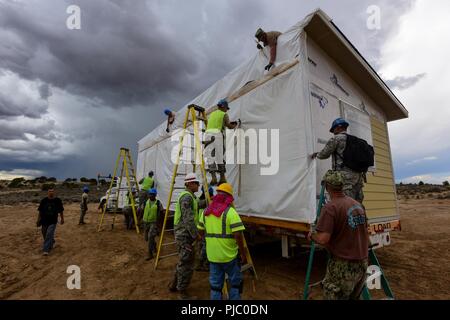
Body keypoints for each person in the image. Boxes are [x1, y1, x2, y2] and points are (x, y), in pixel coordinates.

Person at [307, 170, 369, 300]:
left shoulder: (331, 207)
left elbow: (323, 239)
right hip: (362, 264)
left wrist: (312, 235)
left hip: (343, 266)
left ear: (328, 187)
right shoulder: (357, 205)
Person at [197, 183, 247, 300]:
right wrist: (243, 253)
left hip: (213, 256)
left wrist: (209, 240)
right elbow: (238, 235)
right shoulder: (231, 212)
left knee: (215, 287)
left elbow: (200, 231)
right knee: (235, 284)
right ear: (228, 197)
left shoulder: (206, 212)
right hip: (229, 256)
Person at [168, 173, 206, 300]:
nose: (198, 185)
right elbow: (188, 220)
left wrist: (209, 200)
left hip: (184, 234)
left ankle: (174, 285)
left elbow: (197, 206)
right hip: (184, 235)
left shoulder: (191, 197)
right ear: (189, 184)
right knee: (187, 263)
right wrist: (196, 236)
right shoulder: (187, 198)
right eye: (196, 183)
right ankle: (182, 292)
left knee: (183, 260)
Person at [312, 118, 365, 203]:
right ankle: (359, 216)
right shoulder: (355, 140)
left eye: (333, 129)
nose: (333, 132)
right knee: (357, 202)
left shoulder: (336, 139)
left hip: (345, 177)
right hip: (358, 176)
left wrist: (316, 154)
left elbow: (324, 154)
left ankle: (347, 216)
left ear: (339, 127)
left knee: (346, 203)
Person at [204, 99, 239, 186]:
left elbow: (215, 123)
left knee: (210, 157)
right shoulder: (224, 114)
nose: (227, 110)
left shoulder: (212, 114)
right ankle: (222, 177)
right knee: (219, 156)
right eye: (226, 108)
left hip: (208, 136)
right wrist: (235, 125)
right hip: (217, 135)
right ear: (223, 107)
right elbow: (229, 126)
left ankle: (213, 177)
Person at [36, 187, 64, 256]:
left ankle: (46, 250)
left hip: (53, 221)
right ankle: (52, 241)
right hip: (44, 220)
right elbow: (40, 211)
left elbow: (61, 210)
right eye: (49, 191)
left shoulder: (57, 200)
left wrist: (62, 219)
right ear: (47, 192)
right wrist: (38, 219)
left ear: (54, 192)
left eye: (52, 191)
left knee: (49, 233)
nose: (51, 192)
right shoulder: (44, 200)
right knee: (44, 233)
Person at [194, 186, 214, 272]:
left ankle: (202, 262)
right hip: (205, 226)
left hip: (201, 225)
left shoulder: (199, 200)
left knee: (202, 244)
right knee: (205, 245)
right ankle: (202, 263)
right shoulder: (204, 202)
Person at [142, 188, 164, 260]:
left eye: (152, 194)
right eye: (150, 194)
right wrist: (139, 220)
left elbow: (161, 213)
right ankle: (154, 248)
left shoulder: (158, 203)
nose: (150, 196)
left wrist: (160, 225)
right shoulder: (145, 202)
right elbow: (141, 210)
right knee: (147, 238)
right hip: (145, 222)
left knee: (150, 236)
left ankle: (150, 254)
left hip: (153, 223)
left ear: (155, 195)